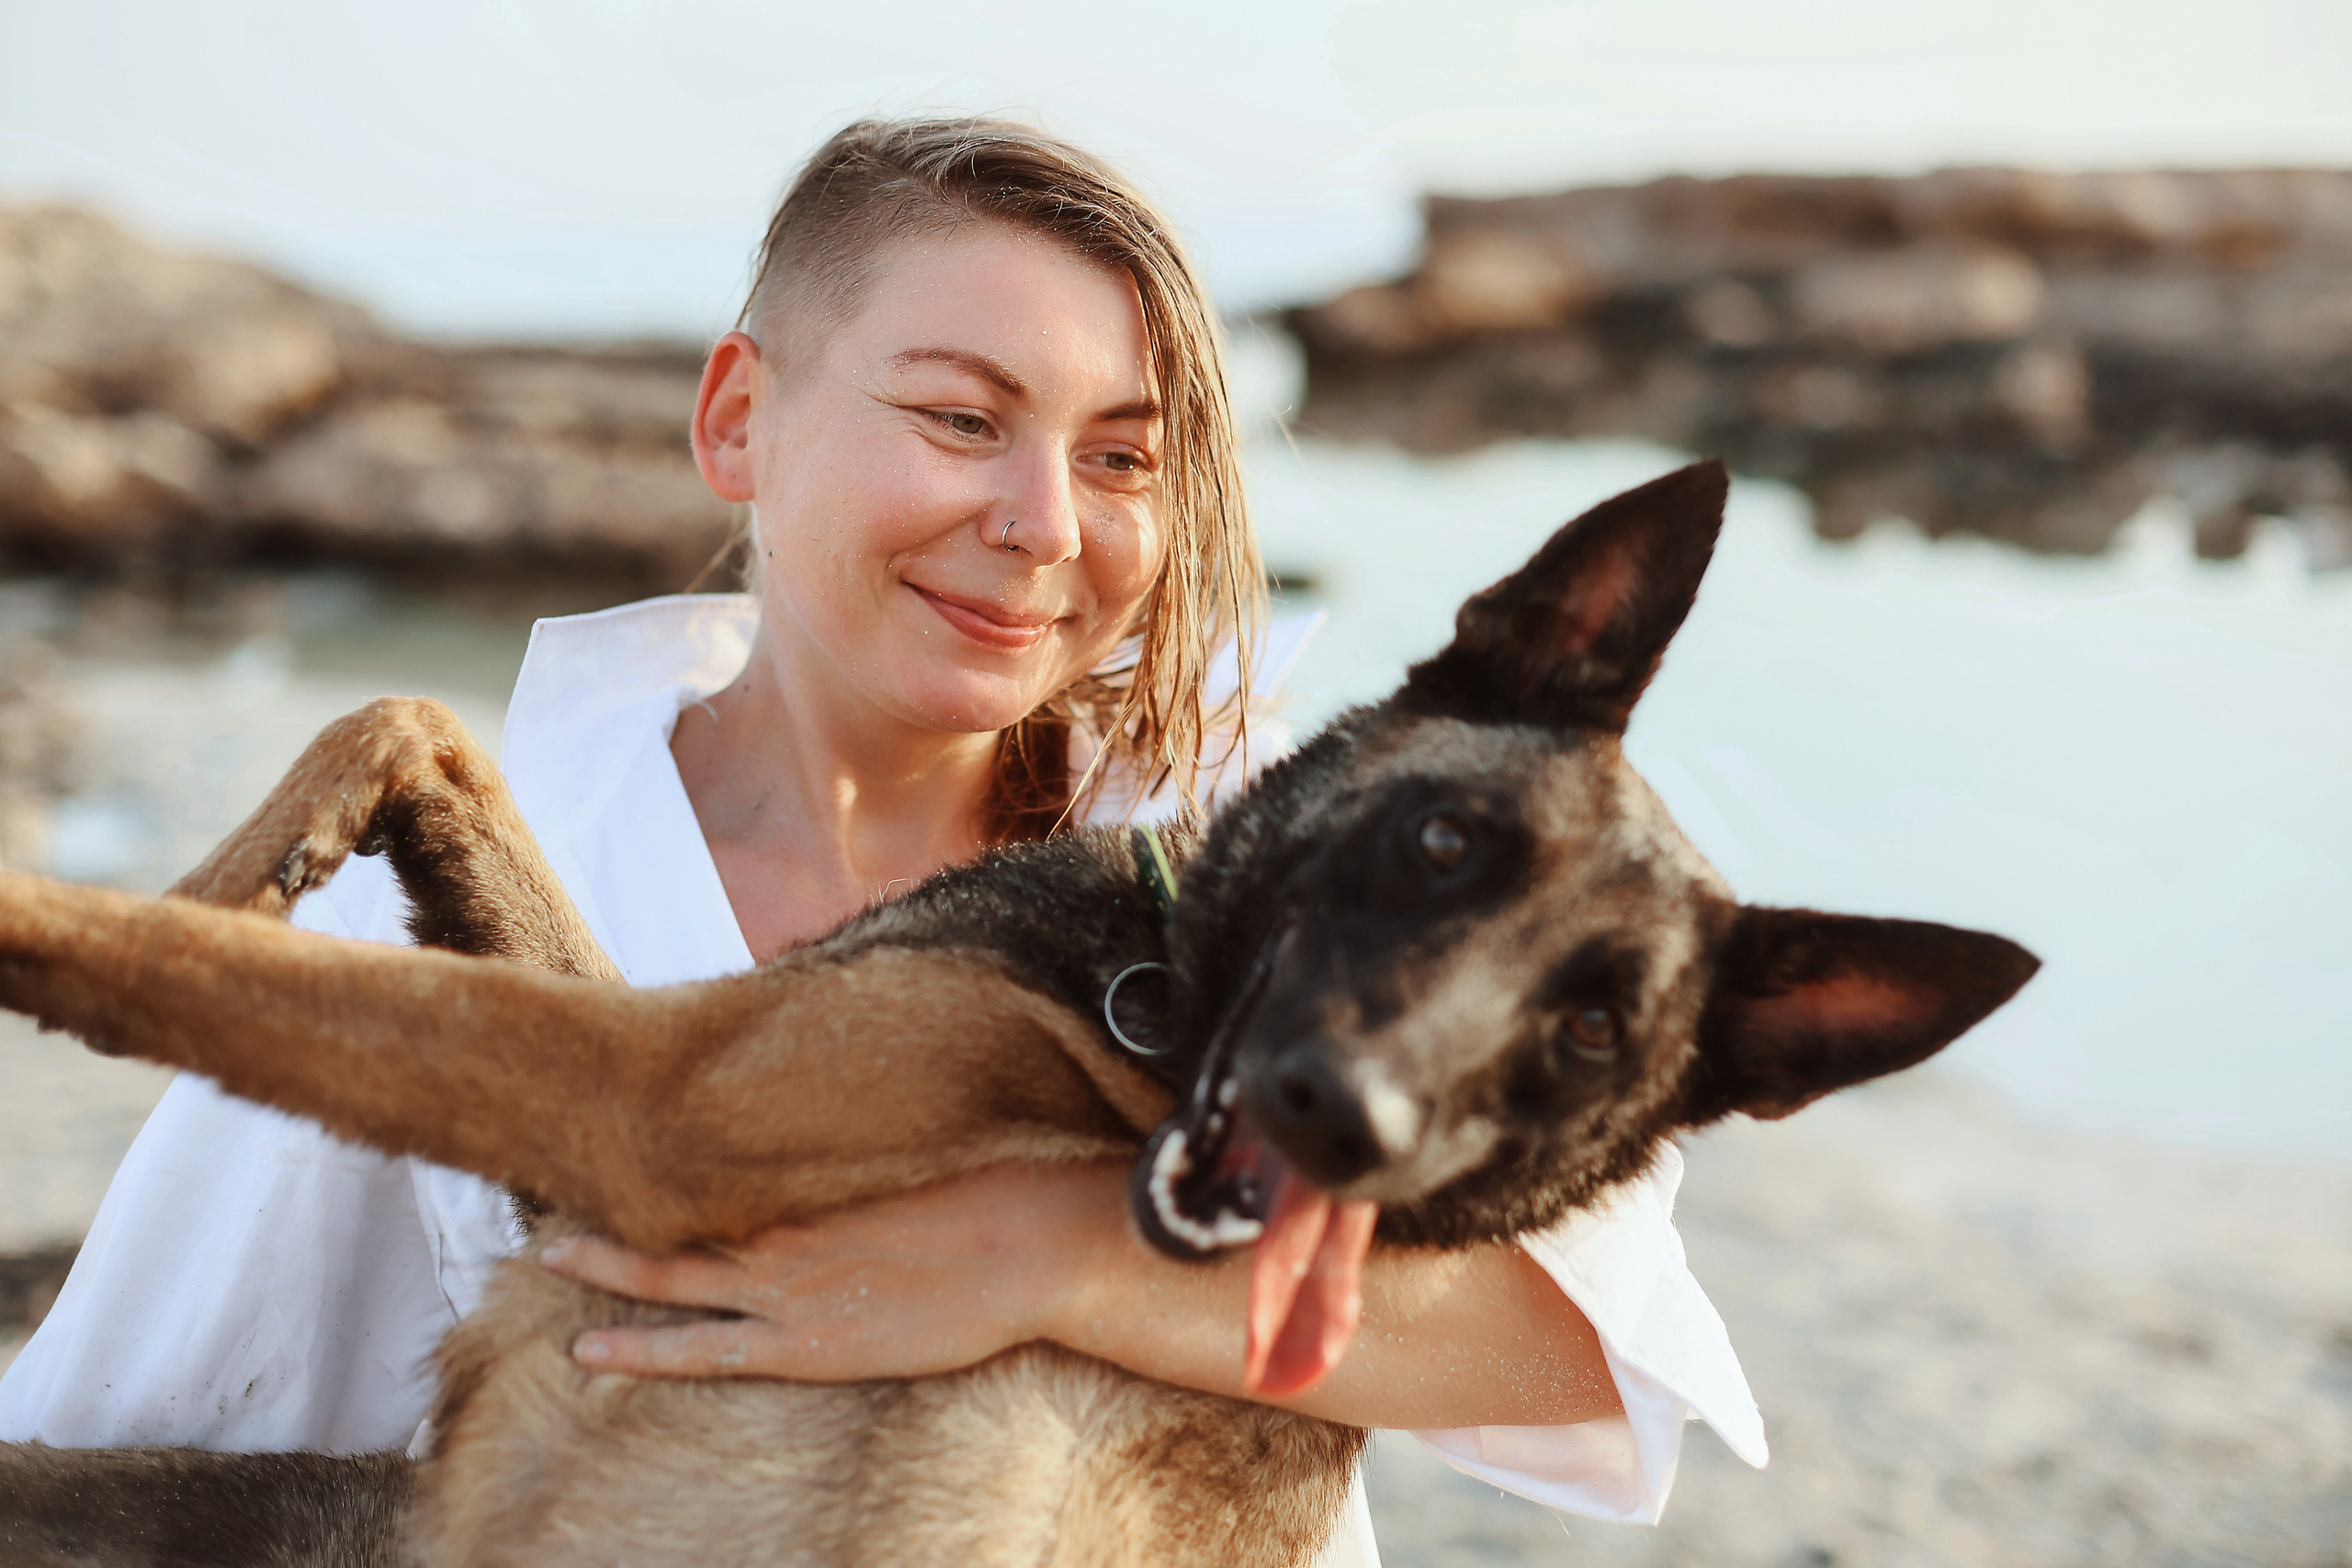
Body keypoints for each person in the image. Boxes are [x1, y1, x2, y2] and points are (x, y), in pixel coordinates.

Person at [0, 118, 1767, 1561]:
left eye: (1125, 460)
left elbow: (1587, 1345)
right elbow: (152, 1414)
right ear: (737, 420)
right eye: (961, 418)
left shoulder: (1249, 860)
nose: (1041, 524)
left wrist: (1054, 1259)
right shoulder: (408, 914)